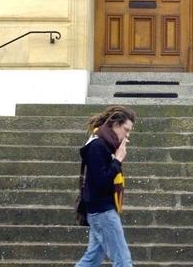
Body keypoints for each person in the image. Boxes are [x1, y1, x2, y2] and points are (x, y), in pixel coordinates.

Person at [75, 106, 136, 267]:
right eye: (126, 130)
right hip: (103, 212)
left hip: (101, 210)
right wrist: (117, 160)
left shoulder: (105, 144)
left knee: (92, 259)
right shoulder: (97, 146)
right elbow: (101, 181)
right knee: (123, 261)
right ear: (115, 124)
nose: (127, 135)